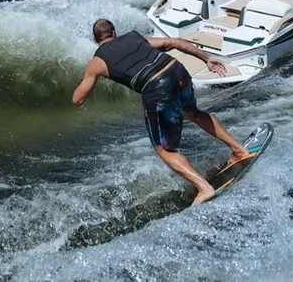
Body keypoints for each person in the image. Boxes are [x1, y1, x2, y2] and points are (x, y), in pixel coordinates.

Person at [72, 19, 250, 205]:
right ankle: (238, 150)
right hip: (177, 71)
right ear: (114, 33)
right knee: (193, 113)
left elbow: (77, 99)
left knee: (165, 149)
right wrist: (207, 58)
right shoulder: (134, 38)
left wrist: (91, 78)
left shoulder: (97, 62)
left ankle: (204, 188)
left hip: (156, 87)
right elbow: (174, 42)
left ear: (95, 39)